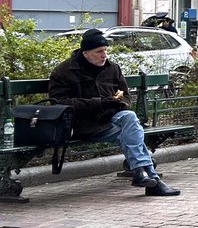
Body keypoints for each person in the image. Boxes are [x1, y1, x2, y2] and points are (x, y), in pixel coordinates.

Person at [48, 29, 180, 197]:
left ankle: (141, 173)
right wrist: (99, 103)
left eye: (106, 51)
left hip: (110, 119)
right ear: (86, 53)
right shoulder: (64, 71)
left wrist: (116, 105)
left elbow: (125, 96)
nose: (104, 55)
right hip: (82, 124)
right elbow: (60, 103)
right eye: (99, 52)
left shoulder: (112, 68)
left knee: (130, 117)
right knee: (132, 131)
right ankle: (150, 178)